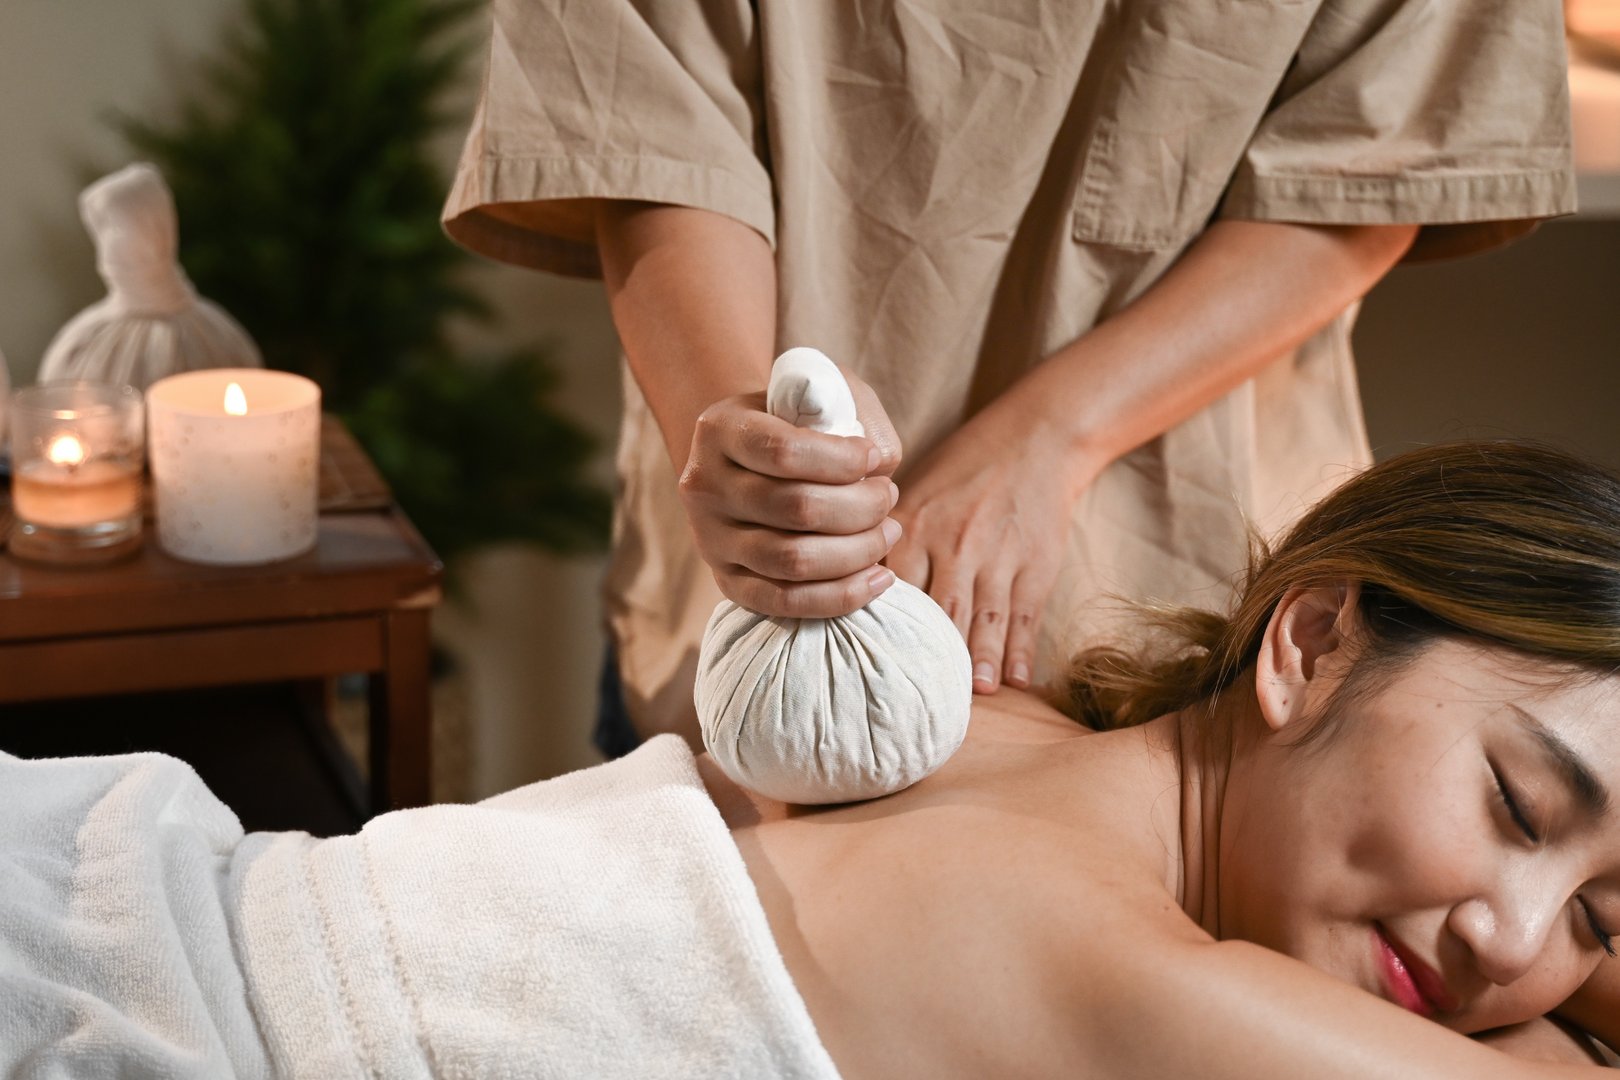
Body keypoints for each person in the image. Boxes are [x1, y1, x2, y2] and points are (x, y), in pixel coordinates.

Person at [4, 441, 1619, 1078]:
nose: (1511, 940)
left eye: (1603, 924)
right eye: (1520, 804)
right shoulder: (1109, 965)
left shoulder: (985, 724)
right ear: (1314, 641)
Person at [442, 0, 1577, 756]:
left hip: (1184, 607)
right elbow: (643, 112)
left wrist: (1056, 434)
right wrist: (753, 439)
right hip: (757, 637)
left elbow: (1381, 155)